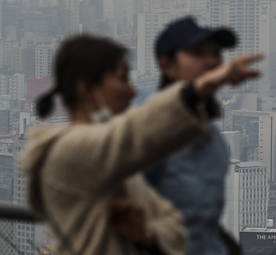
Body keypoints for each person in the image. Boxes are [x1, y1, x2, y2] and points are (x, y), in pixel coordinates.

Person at [21, 35, 263, 255]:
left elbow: (175, 226)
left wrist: (147, 235)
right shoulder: (64, 153)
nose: (132, 90)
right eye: (122, 78)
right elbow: (135, 133)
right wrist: (199, 88)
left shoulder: (120, 167)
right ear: (86, 88)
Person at [135, 17, 240, 255]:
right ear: (167, 66)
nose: (212, 61)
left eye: (216, 53)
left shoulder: (213, 138)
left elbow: (202, 223)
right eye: (198, 53)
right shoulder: (150, 125)